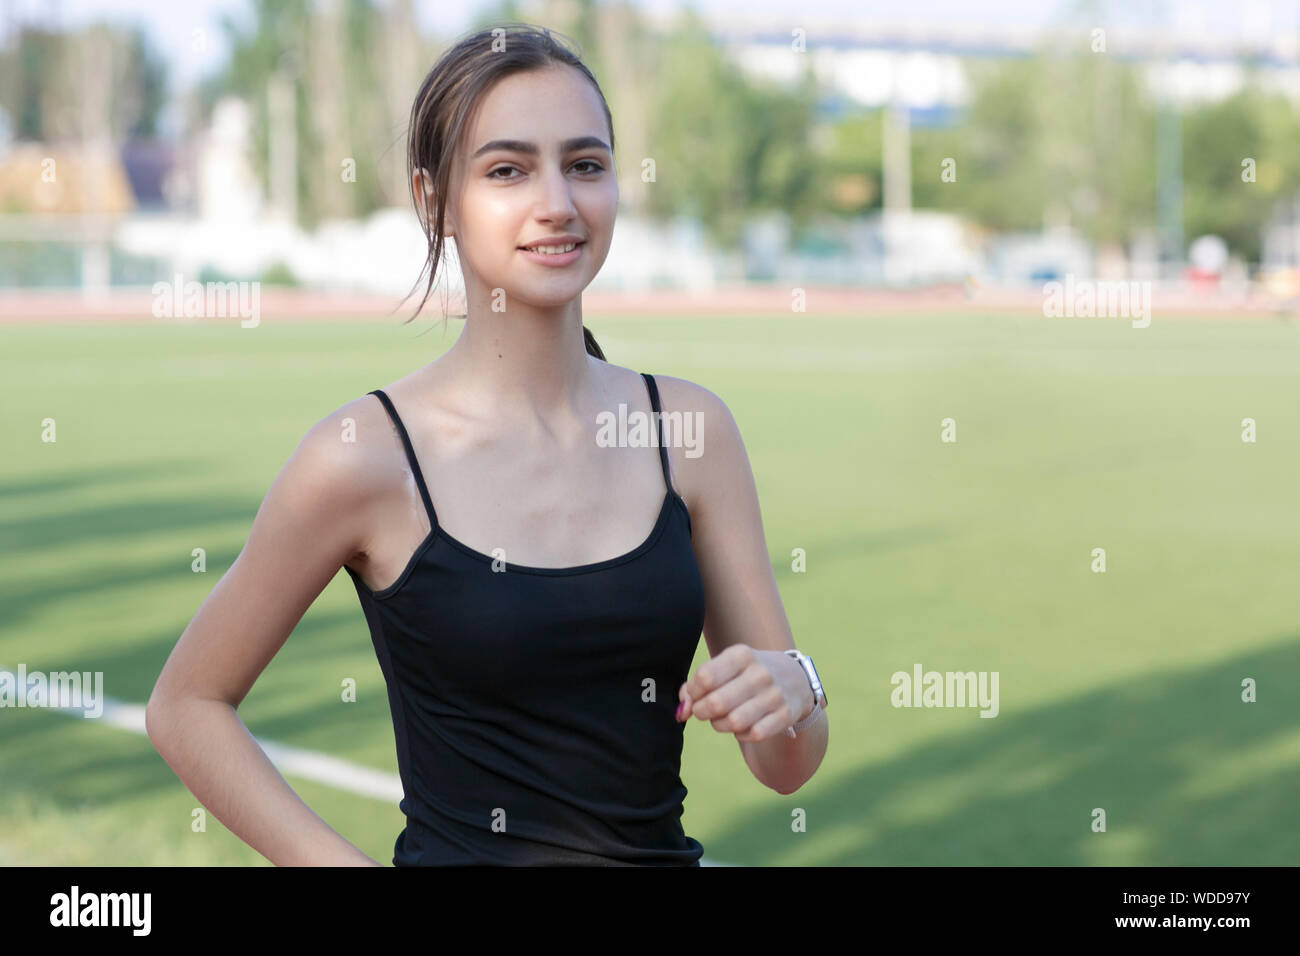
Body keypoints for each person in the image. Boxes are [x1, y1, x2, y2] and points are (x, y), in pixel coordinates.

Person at [146, 23, 828, 867]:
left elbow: (785, 764)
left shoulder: (689, 433)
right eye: (507, 170)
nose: (558, 202)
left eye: (586, 164)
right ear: (434, 200)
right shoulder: (365, 454)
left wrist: (798, 686)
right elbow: (186, 705)